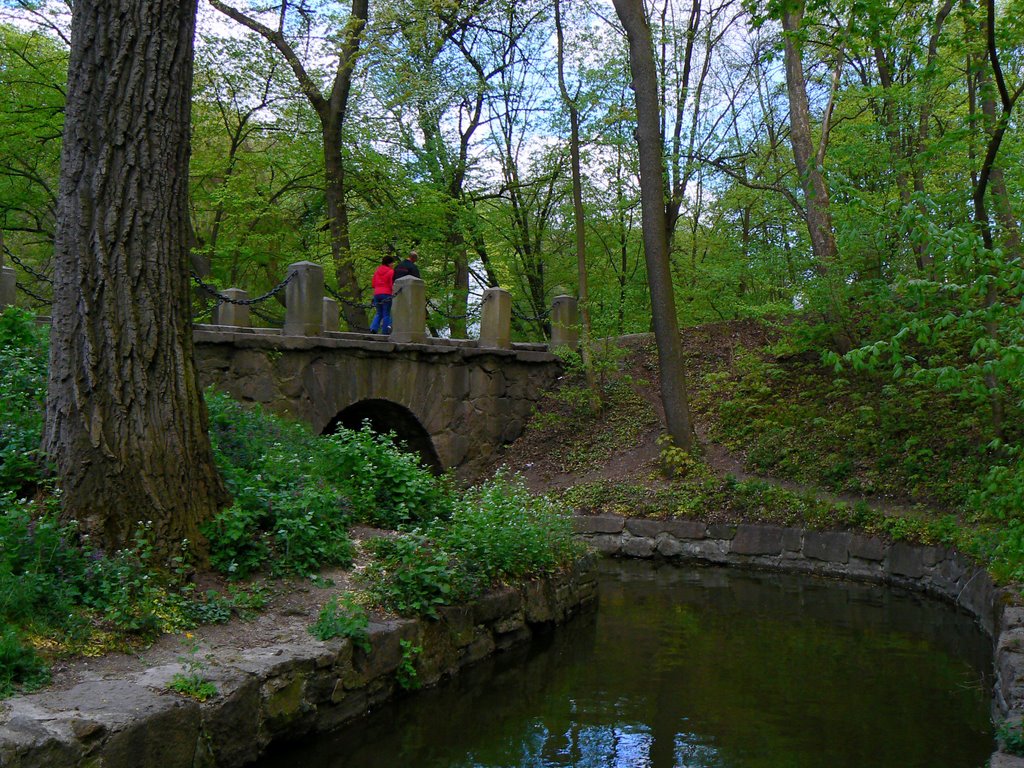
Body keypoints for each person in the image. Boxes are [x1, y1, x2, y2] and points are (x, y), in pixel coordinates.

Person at [369, 255, 395, 334]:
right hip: (386, 294)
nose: (393, 264)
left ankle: (373, 328)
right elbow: (391, 284)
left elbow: (373, 284)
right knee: (386, 313)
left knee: (378, 313)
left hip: (377, 293)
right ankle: (385, 331)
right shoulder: (391, 272)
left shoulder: (377, 271)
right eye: (392, 263)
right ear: (388, 263)